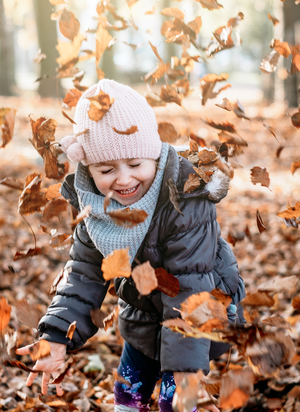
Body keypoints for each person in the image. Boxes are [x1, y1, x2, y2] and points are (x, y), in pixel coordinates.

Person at [16, 79, 245, 412]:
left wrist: (184, 371)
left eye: (136, 165)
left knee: (176, 401)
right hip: (142, 314)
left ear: (154, 154)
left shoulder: (186, 202)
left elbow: (189, 289)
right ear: (88, 168)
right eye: (106, 169)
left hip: (197, 314)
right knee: (128, 394)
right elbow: (84, 273)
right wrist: (56, 336)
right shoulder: (94, 205)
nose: (123, 179)